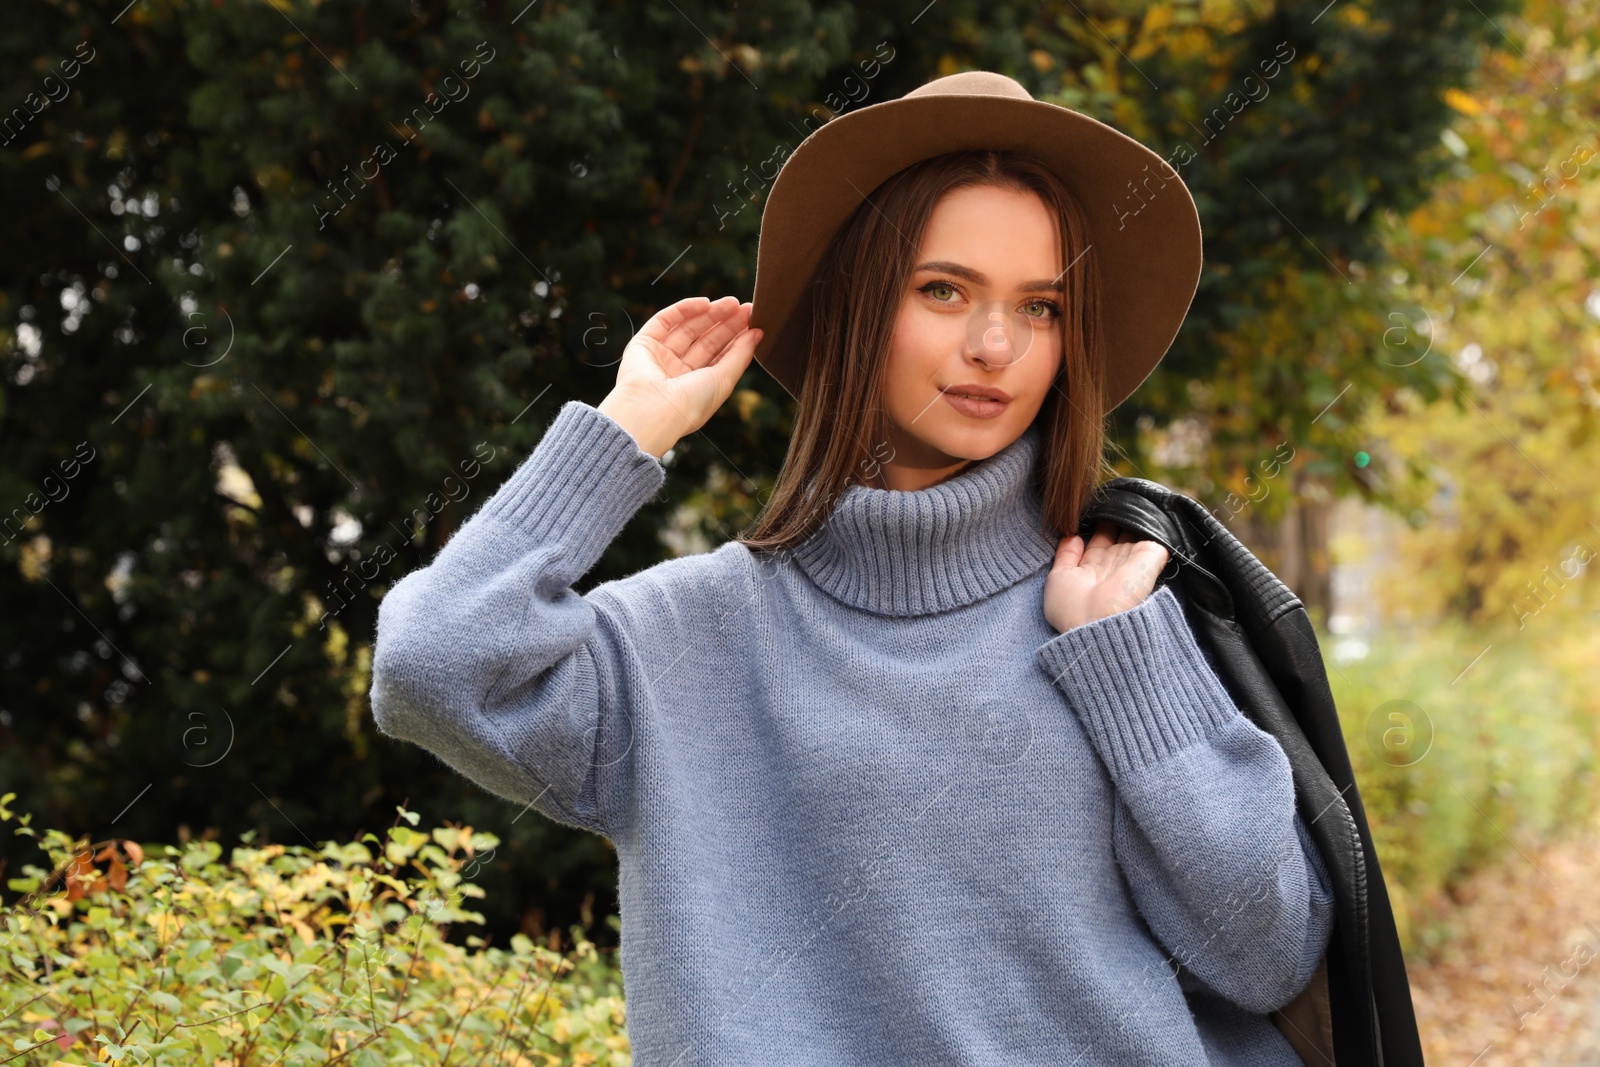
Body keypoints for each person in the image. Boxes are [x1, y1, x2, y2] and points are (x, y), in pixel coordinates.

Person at [369, 69, 1336, 1066]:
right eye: (943, 289)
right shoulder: (688, 641)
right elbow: (435, 663)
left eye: (1040, 306)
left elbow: (1266, 953)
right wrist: (628, 427)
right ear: (855, 303)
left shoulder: (1120, 605)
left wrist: (1125, 667)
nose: (994, 344)